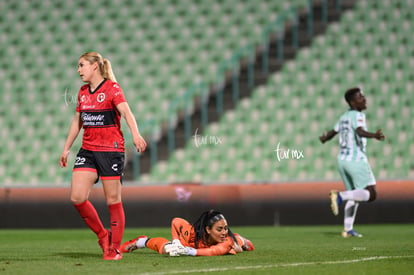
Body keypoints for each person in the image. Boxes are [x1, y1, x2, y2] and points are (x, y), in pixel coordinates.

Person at [59, 52, 147, 260]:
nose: (78, 70)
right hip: (88, 150)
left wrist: (136, 134)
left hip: (110, 150)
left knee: (113, 200)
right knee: (77, 197)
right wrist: (66, 148)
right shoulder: (82, 92)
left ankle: (114, 248)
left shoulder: (112, 88)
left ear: (95, 66)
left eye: (81, 65)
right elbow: (77, 122)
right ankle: (102, 235)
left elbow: (126, 112)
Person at [319, 87, 385, 238]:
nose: (364, 99)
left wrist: (323, 138)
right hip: (356, 159)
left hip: (342, 161)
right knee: (372, 193)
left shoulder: (343, 117)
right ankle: (339, 196)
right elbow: (360, 131)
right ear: (352, 102)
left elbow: (331, 134)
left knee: (354, 195)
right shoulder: (357, 115)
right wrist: (374, 135)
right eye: (360, 97)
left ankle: (348, 229)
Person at [121, 209, 255, 256]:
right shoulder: (192, 233)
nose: (224, 232)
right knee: (168, 249)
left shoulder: (227, 240)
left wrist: (190, 252)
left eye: (225, 228)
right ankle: (141, 242)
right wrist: (176, 242)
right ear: (208, 230)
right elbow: (175, 221)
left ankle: (240, 239)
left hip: (194, 249)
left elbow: (213, 252)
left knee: (242, 247)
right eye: (219, 229)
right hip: (188, 244)